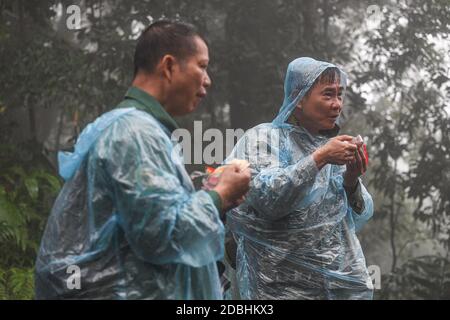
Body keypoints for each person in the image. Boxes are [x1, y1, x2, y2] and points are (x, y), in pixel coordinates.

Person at [35, 20, 250, 300]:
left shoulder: (139, 128)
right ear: (169, 66)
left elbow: (144, 216)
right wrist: (219, 195)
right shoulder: (134, 133)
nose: (207, 79)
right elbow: (162, 234)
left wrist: (211, 192)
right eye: (202, 65)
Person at [224, 57, 374, 300]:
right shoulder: (262, 139)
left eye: (340, 94)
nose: (337, 104)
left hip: (333, 289)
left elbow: (358, 217)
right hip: (276, 288)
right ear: (300, 97)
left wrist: (351, 180)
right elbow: (268, 200)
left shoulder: (330, 148)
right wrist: (318, 159)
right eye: (327, 94)